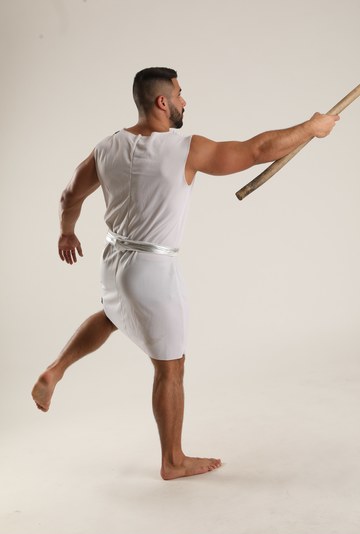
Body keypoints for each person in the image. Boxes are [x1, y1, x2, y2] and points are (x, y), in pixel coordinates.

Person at [32, 67, 339, 480]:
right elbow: (257, 149)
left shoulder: (107, 147)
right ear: (163, 102)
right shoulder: (183, 149)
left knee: (112, 315)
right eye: (179, 94)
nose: (184, 101)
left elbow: (70, 194)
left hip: (114, 261)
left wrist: (66, 232)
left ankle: (56, 370)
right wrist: (311, 127)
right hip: (153, 269)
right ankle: (172, 461)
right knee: (170, 369)